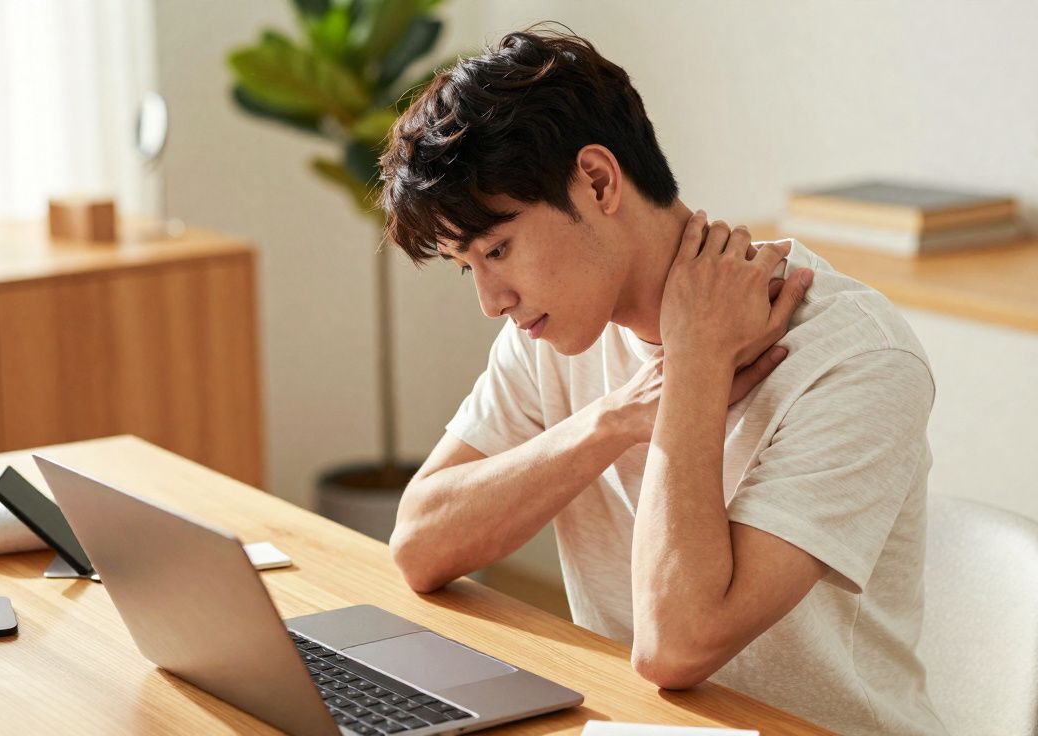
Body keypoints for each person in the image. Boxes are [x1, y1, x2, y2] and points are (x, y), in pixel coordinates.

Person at [377, 27, 947, 736]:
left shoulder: (854, 355)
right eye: (470, 265)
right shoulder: (548, 333)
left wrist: (696, 371)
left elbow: (676, 646)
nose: (493, 300)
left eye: (498, 249)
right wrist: (615, 418)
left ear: (597, 181)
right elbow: (420, 542)